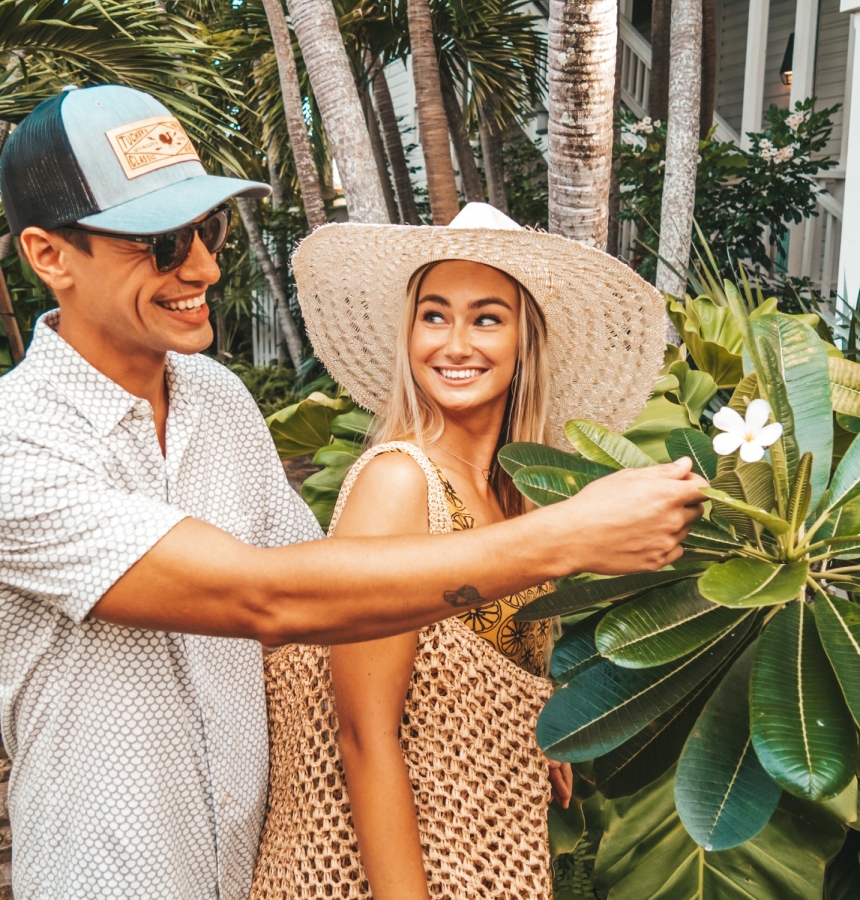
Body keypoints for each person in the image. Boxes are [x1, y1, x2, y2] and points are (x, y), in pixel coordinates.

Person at [0, 84, 706, 900]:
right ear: (50, 257)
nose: (204, 266)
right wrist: (566, 539)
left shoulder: (219, 402)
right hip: (109, 876)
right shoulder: (17, 443)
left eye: (208, 228)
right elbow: (265, 599)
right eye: (160, 244)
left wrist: (508, 707)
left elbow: (334, 588)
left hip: (258, 867)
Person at [249, 203, 684, 899]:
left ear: (524, 341)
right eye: (433, 314)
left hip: (487, 853)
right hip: (377, 875)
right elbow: (362, 736)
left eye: (486, 317)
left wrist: (521, 733)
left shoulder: (515, 501)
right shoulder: (400, 483)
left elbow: (475, 676)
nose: (455, 344)